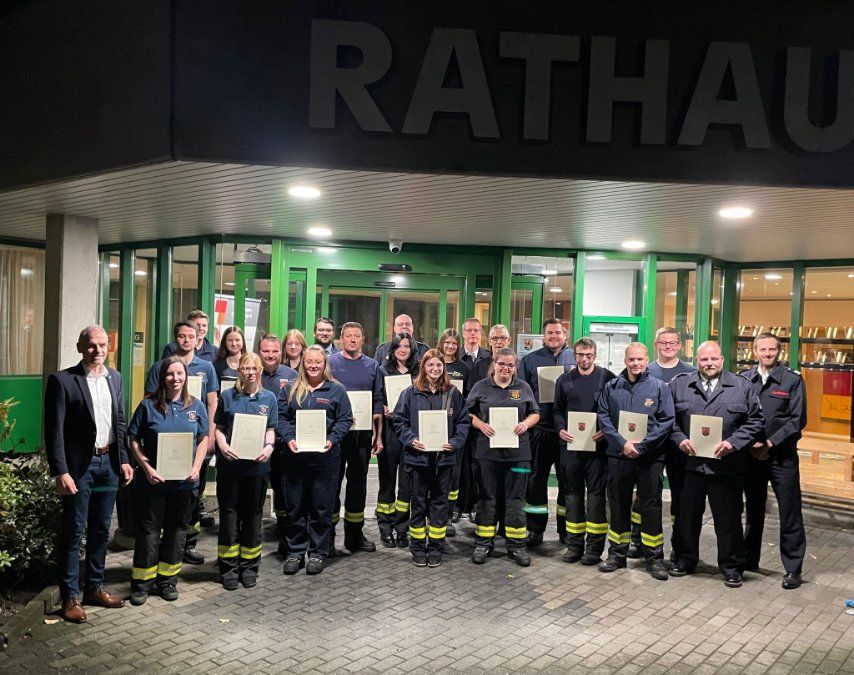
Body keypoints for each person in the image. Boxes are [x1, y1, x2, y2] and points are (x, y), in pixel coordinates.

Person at [44, 325, 133, 623]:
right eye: (91, 345)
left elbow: (119, 423)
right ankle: (70, 596)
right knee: (74, 531)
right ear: (80, 347)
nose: (97, 350)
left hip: (109, 465)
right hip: (80, 469)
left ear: (109, 346)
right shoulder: (63, 380)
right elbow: (54, 431)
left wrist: (124, 460)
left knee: (100, 529)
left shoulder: (115, 378)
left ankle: (94, 588)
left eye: (102, 344)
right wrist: (61, 471)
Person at [669, 341, 764, 588]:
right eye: (704, 359)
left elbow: (756, 421)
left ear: (722, 360)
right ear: (696, 360)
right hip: (689, 465)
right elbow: (668, 419)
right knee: (686, 516)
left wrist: (733, 443)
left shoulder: (742, 386)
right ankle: (684, 560)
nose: (709, 364)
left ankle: (732, 567)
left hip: (727, 466)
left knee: (728, 519)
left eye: (713, 359)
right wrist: (680, 439)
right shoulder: (679, 385)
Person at [127, 356, 209, 605]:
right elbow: (133, 439)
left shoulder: (196, 406)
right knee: (149, 532)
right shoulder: (148, 405)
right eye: (170, 374)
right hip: (154, 483)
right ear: (163, 377)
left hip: (184, 484)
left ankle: (167, 581)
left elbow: (203, 439)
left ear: (186, 377)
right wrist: (146, 468)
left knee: (177, 531)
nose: (175, 378)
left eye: (180, 374)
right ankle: (142, 584)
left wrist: (196, 467)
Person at [597, 343, 674, 581]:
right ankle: (616, 555)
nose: (636, 363)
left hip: (650, 458)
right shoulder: (611, 387)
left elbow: (667, 420)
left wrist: (642, 446)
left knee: (650, 507)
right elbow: (604, 417)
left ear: (647, 359)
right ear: (625, 360)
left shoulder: (660, 388)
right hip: (619, 456)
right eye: (631, 359)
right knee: (618, 504)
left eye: (640, 359)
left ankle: (654, 559)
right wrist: (622, 444)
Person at [145, 321, 218, 563]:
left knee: (193, 496)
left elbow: (212, 403)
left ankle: (188, 544)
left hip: (196, 442)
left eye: (191, 336)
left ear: (198, 339)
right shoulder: (160, 367)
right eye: (182, 336)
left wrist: (209, 435)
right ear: (175, 338)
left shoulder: (206, 367)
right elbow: (149, 402)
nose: (186, 340)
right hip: (165, 448)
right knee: (163, 501)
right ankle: (162, 548)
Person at [278, 345, 354, 575]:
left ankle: (318, 553)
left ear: (325, 365)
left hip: (325, 459)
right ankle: (295, 552)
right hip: (295, 458)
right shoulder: (290, 389)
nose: (313, 366)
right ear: (303, 363)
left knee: (322, 507)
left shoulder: (337, 390)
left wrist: (332, 439)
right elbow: (281, 418)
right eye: (309, 362)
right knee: (295, 506)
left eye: (317, 362)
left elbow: (345, 419)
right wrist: (289, 438)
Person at [740, 332, 807, 589]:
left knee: (790, 513)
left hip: (782, 458)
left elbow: (797, 420)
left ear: (779, 352)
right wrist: (751, 444)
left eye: (772, 349)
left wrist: (769, 443)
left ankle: (793, 569)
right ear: (754, 351)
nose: (768, 353)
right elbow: (740, 415)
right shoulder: (745, 379)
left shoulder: (792, 380)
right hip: (752, 456)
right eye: (763, 349)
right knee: (753, 510)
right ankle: (749, 560)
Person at [393, 349, 470, 566]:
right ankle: (418, 547)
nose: (434, 369)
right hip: (417, 460)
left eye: (438, 365)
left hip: (444, 460)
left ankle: (436, 547)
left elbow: (463, 422)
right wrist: (411, 440)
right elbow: (399, 421)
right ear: (423, 367)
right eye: (430, 365)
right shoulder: (410, 393)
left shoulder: (453, 394)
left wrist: (454, 442)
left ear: (443, 368)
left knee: (439, 505)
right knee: (417, 505)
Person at [466, 348, 540, 566]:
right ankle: (483, 543)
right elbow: (467, 413)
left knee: (516, 499)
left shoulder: (523, 387)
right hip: (487, 454)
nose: (506, 368)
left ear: (515, 367)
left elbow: (535, 413)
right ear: (494, 364)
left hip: (518, 455)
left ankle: (516, 546)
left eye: (510, 365)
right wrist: (481, 424)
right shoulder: (481, 387)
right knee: (487, 497)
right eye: (501, 364)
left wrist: (525, 423)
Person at [213, 352, 278, 590]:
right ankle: (228, 568)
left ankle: (249, 567)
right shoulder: (227, 396)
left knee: (253, 517)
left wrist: (269, 447)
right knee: (229, 517)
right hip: (230, 468)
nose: (250, 372)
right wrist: (222, 445)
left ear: (260, 371)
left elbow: (271, 428)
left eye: (254, 368)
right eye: (245, 368)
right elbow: (219, 428)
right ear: (239, 371)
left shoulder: (269, 398)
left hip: (257, 470)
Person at [633, 326, 697, 560]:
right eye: (663, 342)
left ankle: (679, 545)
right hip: (651, 444)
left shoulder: (691, 373)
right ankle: (638, 540)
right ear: (655, 345)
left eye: (672, 343)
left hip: (680, 445)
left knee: (681, 496)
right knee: (646, 495)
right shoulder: (644, 370)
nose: (668, 346)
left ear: (679, 346)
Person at [553, 337, 616, 565]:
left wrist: (606, 431)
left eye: (588, 355)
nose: (584, 359)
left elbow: (615, 412)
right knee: (573, 497)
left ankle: (594, 550)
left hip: (598, 451)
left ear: (595, 355)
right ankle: (574, 546)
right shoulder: (564, 380)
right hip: (572, 449)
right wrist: (561, 429)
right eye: (580, 355)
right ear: (575, 355)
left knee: (597, 499)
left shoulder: (608, 379)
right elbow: (557, 411)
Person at [517, 318, 576, 546]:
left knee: (567, 481)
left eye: (558, 332)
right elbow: (522, 394)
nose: (554, 336)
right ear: (544, 336)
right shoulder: (530, 360)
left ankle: (565, 529)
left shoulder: (574, 358)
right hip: (539, 430)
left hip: (567, 431)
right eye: (550, 333)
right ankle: (535, 529)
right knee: (536, 480)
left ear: (564, 335)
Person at [328, 322, 384, 553]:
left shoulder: (373, 366)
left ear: (363, 339)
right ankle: (327, 538)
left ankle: (354, 536)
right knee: (332, 485)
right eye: (348, 336)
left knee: (358, 486)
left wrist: (378, 436)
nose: (352, 339)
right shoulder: (330, 363)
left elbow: (378, 401)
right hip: (335, 435)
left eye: (357, 336)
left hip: (362, 435)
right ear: (341, 339)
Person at [460, 324, 512, 521]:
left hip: (509, 434)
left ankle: (502, 512)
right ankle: (478, 508)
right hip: (483, 432)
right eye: (495, 338)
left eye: (502, 338)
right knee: (480, 472)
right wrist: (478, 423)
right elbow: (469, 399)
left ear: (509, 340)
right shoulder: (479, 366)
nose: (499, 342)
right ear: (489, 341)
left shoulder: (517, 364)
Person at [376, 332, 419, 548]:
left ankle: (403, 529)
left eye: (407, 346)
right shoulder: (383, 370)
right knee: (387, 480)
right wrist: (383, 407)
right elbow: (377, 398)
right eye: (399, 346)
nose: (403, 350)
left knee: (406, 483)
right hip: (389, 431)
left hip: (410, 432)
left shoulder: (418, 372)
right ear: (392, 350)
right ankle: (385, 528)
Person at [258, 334, 299, 556]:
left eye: (274, 351)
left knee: (283, 490)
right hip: (256, 444)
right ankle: (253, 533)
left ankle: (285, 532)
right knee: (257, 489)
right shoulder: (252, 373)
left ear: (280, 353)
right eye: (266, 351)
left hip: (283, 445)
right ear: (259, 352)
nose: (270, 355)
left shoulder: (291, 375)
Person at [437, 328, 471, 529]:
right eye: (447, 342)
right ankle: (435, 513)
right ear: (441, 343)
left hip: (455, 425)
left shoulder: (463, 367)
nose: (450, 346)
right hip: (434, 425)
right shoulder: (433, 363)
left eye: (454, 343)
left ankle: (449, 514)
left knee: (454, 474)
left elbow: (467, 397)